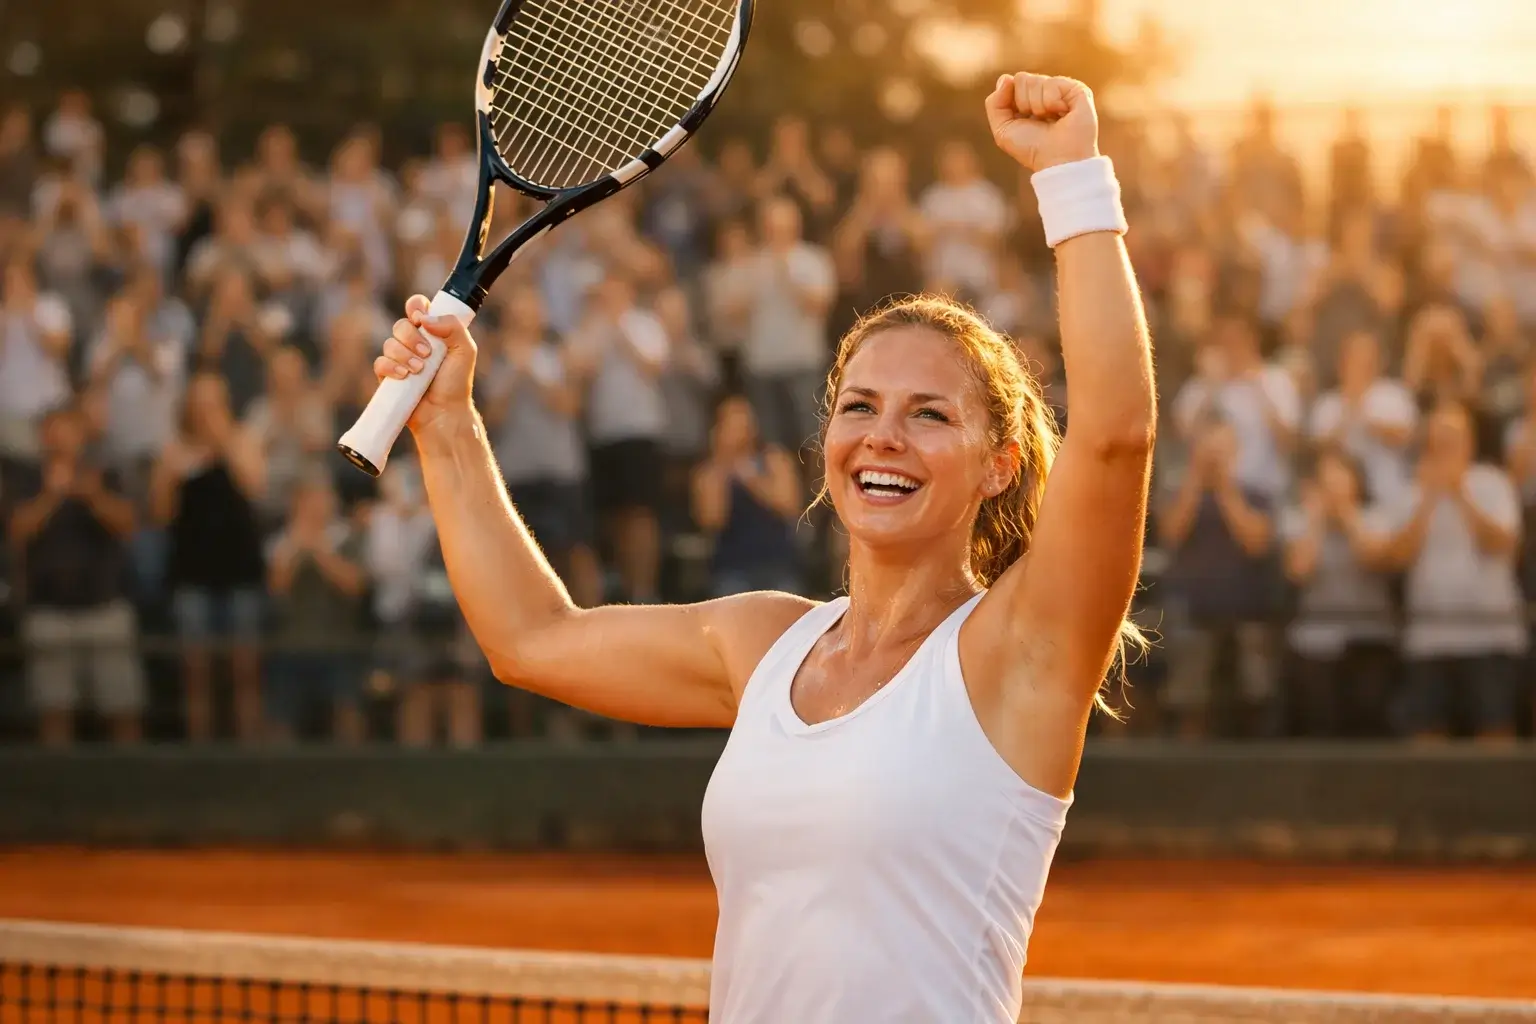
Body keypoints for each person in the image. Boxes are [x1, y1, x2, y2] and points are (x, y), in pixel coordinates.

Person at [369, 72, 1152, 1021]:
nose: (883, 437)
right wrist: (448, 426)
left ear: (1000, 465)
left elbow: (1113, 434)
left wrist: (1073, 178)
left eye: (929, 415)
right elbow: (530, 637)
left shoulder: (1020, 652)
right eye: (859, 406)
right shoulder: (760, 644)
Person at [150, 373, 267, 742]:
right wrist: (172, 470)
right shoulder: (174, 451)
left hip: (240, 568)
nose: (207, 413)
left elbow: (255, 487)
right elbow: (159, 513)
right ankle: (201, 750)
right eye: (201, 405)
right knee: (195, 670)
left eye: (215, 404)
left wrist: (224, 442)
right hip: (192, 570)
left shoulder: (243, 440)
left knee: (244, 668)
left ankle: (248, 748)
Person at [692, 395, 802, 597]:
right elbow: (712, 520)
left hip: (778, 564)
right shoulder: (709, 472)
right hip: (731, 569)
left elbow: (789, 505)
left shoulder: (774, 458)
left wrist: (750, 478)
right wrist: (723, 465)